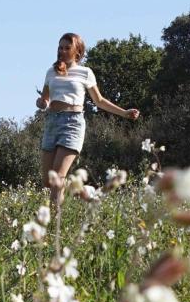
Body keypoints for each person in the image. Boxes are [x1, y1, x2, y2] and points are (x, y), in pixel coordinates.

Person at [36, 32, 140, 208]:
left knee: (56, 179)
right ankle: (82, 190)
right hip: (52, 122)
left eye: (67, 48)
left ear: (77, 51)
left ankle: (54, 226)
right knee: (47, 181)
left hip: (72, 124)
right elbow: (45, 100)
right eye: (60, 47)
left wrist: (124, 113)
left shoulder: (85, 73)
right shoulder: (51, 72)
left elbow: (99, 101)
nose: (62, 50)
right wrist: (42, 102)